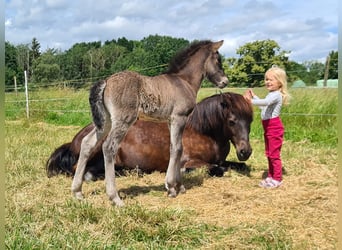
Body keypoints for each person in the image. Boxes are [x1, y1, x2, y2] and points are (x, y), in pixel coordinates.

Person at [244, 65, 290, 188]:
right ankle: (270, 176)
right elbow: (264, 107)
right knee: (269, 153)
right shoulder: (271, 94)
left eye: (271, 79)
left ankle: (277, 178)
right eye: (266, 79)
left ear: (280, 82)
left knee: (274, 154)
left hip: (274, 127)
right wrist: (254, 97)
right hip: (268, 128)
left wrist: (249, 101)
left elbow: (265, 103)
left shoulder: (276, 95)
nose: (268, 82)